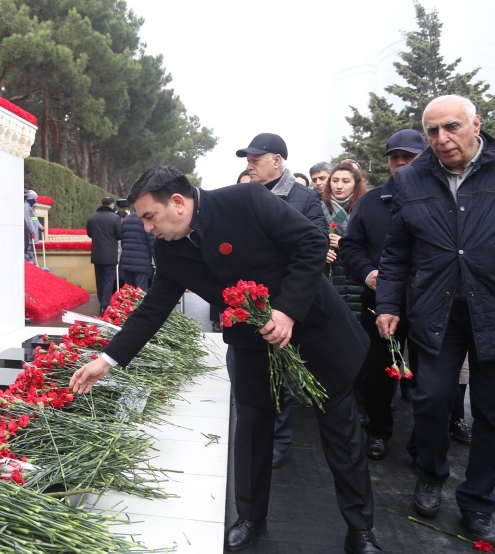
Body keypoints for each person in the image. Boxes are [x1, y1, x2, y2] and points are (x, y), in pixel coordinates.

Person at [70, 165, 379, 554]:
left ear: (178, 203)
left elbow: (311, 243)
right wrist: (107, 361)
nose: (148, 229)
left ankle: (360, 529)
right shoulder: (169, 250)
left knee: (340, 430)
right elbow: (154, 309)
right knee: (252, 429)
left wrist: (286, 311)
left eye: (150, 217)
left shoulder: (245, 200)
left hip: (313, 329)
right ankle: (250, 518)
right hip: (252, 345)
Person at [377, 95, 495, 543]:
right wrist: (388, 304)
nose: (441, 139)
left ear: (476, 125)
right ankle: (430, 473)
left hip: (491, 310)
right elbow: (397, 251)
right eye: (432, 131)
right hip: (436, 310)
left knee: (491, 413)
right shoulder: (411, 179)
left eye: (451, 127)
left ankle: (479, 501)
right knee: (430, 400)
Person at [237, 132, 328, 469]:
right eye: (247, 160)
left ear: (277, 161)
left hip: (287, 301)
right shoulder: (245, 195)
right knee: (253, 374)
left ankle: (279, 440)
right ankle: (256, 436)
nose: (250, 166)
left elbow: (315, 246)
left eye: (255, 159)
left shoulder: (304, 198)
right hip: (251, 302)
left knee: (283, 375)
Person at [339, 129, 424, 460]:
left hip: (429, 302)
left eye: (409, 157)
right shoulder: (371, 203)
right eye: (395, 157)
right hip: (379, 301)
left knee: (427, 376)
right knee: (378, 369)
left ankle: (423, 441)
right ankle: (377, 431)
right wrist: (367, 273)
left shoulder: (441, 198)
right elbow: (350, 247)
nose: (401, 163)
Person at [323, 161, 367, 321]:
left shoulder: (365, 208)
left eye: (345, 181)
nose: (339, 186)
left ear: (355, 185)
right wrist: (321, 250)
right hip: (328, 280)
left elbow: (376, 246)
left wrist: (345, 244)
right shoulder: (318, 209)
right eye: (335, 181)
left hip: (357, 280)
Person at [86, 196, 122, 314]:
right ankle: (105, 305)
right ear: (111, 205)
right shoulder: (115, 218)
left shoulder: (92, 217)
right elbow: (119, 235)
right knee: (109, 280)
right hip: (110, 253)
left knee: (100, 279)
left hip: (96, 253)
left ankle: (101, 301)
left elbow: (90, 233)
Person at [120, 209, 155, 291]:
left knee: (129, 291)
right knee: (141, 291)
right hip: (141, 261)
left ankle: (130, 304)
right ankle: (141, 304)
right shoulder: (145, 219)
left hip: (127, 260)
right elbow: (152, 243)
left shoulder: (126, 219)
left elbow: (122, 240)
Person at [23, 190, 42, 263]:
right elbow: (28, 220)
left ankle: (30, 260)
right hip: (28, 232)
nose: (35, 200)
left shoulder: (31, 207)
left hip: (33, 231)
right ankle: (29, 261)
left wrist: (40, 226)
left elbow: (35, 219)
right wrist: (32, 231)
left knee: (31, 248)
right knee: (28, 248)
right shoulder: (25, 207)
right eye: (34, 199)